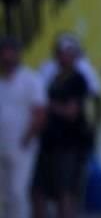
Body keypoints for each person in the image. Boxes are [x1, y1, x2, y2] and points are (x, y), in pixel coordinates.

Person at [31, 33, 100, 218]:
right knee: (38, 191)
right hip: (47, 143)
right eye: (62, 52)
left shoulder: (80, 78)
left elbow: (71, 112)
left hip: (69, 145)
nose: (65, 56)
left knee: (66, 192)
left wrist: (49, 106)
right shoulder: (50, 76)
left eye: (69, 53)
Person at [0, 35, 46, 218]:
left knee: (17, 193)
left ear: (18, 55)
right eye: (4, 54)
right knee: (3, 195)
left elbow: (40, 113)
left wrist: (27, 138)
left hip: (22, 147)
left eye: (11, 53)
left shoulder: (31, 80)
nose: (7, 58)